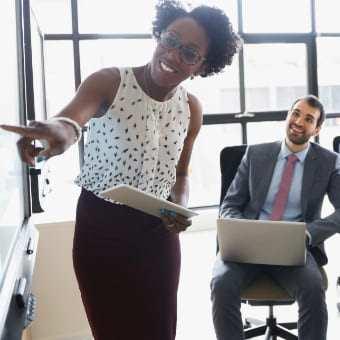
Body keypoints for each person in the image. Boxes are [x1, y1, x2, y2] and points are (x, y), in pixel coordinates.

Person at [1, 1, 241, 339]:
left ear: (203, 65)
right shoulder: (109, 82)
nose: (173, 55)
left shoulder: (191, 108)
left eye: (189, 52)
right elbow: (72, 121)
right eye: (170, 40)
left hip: (159, 233)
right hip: (102, 230)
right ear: (159, 33)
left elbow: (181, 174)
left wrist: (180, 207)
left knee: (160, 332)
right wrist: (60, 131)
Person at [211, 95, 340, 340]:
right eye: (296, 113)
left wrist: (309, 233)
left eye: (309, 118)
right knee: (221, 284)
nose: (299, 121)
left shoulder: (328, 162)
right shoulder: (256, 154)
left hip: (294, 249)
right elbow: (230, 204)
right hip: (247, 246)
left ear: (317, 128)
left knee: (313, 288)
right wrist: (241, 230)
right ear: (288, 115)